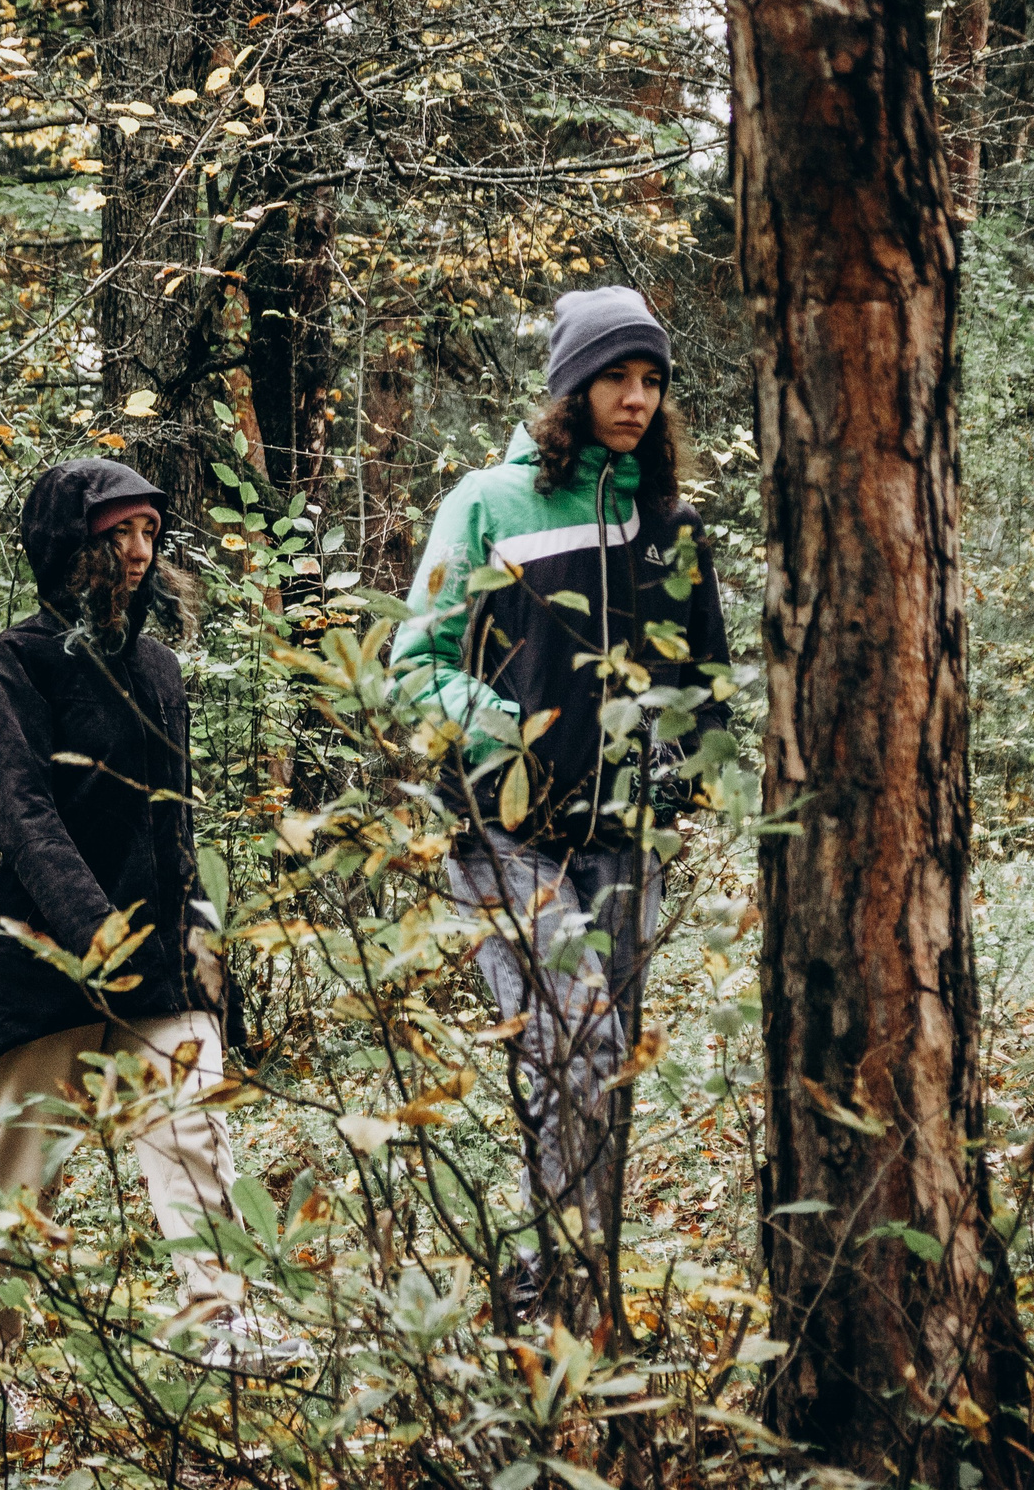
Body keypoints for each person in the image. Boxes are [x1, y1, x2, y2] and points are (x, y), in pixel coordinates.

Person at [392, 287, 731, 1305]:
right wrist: (515, 731)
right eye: (615, 377)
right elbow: (415, 661)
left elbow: (701, 682)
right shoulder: (489, 504)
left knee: (603, 1068)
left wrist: (687, 775)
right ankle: (559, 1282)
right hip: (504, 836)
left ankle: (572, 1286)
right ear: (568, 388)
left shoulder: (667, 522)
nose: (635, 398)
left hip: (622, 840)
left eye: (650, 380)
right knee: (572, 1039)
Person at [0, 457, 273, 1418]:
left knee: (192, 1133)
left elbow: (173, 820)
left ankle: (223, 1319)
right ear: (68, 545)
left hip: (160, 967)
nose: (136, 552)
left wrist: (199, 952)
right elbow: (19, 808)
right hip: (44, 962)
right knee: (16, 1174)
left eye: (146, 533)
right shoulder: (16, 661)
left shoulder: (159, 665)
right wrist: (92, 927)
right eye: (115, 534)